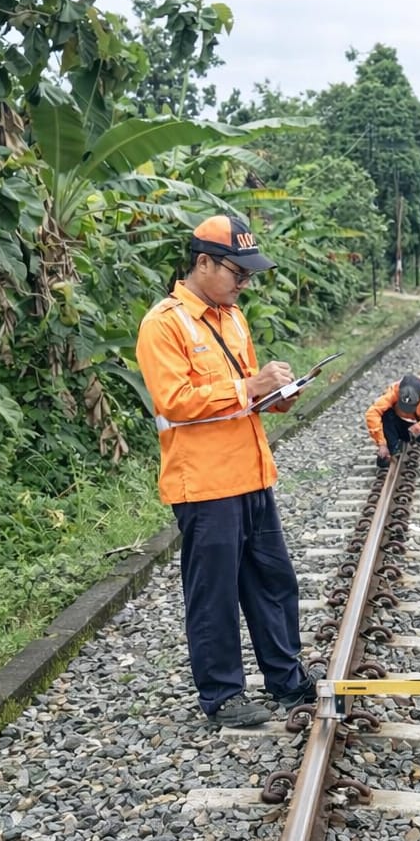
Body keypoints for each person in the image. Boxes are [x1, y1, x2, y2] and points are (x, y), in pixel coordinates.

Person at [136, 214, 320, 728]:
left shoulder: (233, 318)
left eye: (248, 276)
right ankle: (222, 695)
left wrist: (277, 396)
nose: (243, 284)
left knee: (274, 582)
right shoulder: (164, 324)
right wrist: (251, 388)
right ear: (203, 263)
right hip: (204, 483)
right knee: (213, 593)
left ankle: (285, 679)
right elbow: (175, 401)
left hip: (252, 473)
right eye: (237, 274)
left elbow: (242, 396)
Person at [364, 373, 420, 469]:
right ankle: (392, 448)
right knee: (385, 413)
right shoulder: (394, 390)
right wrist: (381, 443)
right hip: (401, 426)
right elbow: (372, 413)